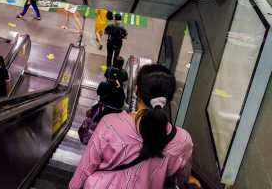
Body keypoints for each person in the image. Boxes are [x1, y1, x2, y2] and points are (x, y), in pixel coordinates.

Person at [69, 64, 197, 189]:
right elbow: (181, 179)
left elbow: (86, 167)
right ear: (168, 99)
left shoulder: (110, 123)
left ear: (137, 91)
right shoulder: (182, 140)